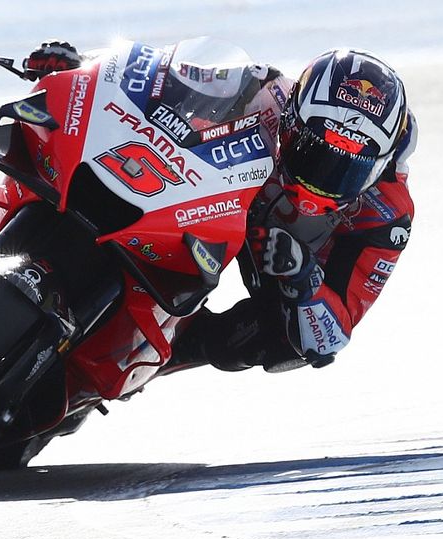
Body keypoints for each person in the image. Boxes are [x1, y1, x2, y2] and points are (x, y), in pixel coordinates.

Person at [24, 39, 417, 373]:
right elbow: (159, 74)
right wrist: (81, 68)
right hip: (208, 204)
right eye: (315, 152)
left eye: (350, 169)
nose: (325, 178)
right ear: (293, 118)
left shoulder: (386, 214)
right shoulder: (267, 90)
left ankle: (157, 357)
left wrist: (302, 276)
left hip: (275, 264)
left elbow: (332, 336)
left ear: (381, 165)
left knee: (279, 342)